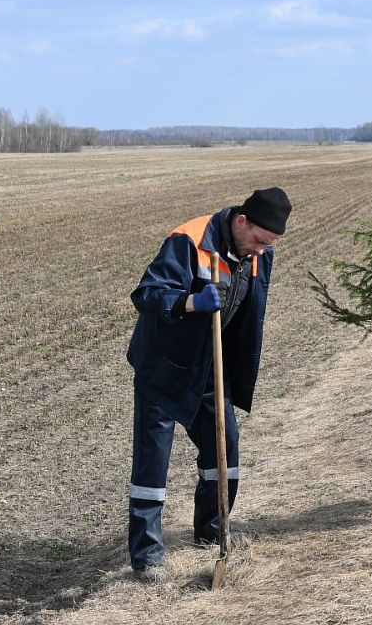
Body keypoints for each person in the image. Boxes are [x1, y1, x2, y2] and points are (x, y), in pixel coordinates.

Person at [126, 187, 291, 576]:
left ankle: (212, 531)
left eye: (270, 245)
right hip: (164, 368)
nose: (262, 251)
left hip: (211, 369)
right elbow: (147, 294)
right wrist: (190, 301)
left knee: (224, 451)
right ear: (241, 221)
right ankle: (147, 556)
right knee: (152, 465)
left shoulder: (257, 255)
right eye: (259, 241)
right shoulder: (189, 239)